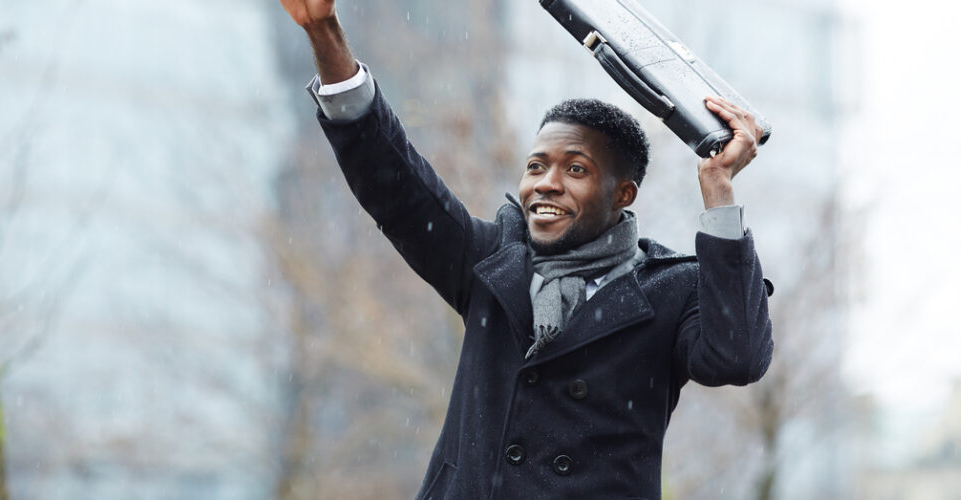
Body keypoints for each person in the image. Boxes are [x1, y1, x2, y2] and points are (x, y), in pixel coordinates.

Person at [277, 0, 774, 498]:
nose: (546, 184)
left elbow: (737, 358)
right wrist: (323, 30)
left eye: (575, 169)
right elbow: (393, 181)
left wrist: (718, 185)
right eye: (536, 166)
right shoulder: (493, 262)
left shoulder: (671, 289)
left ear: (622, 195)